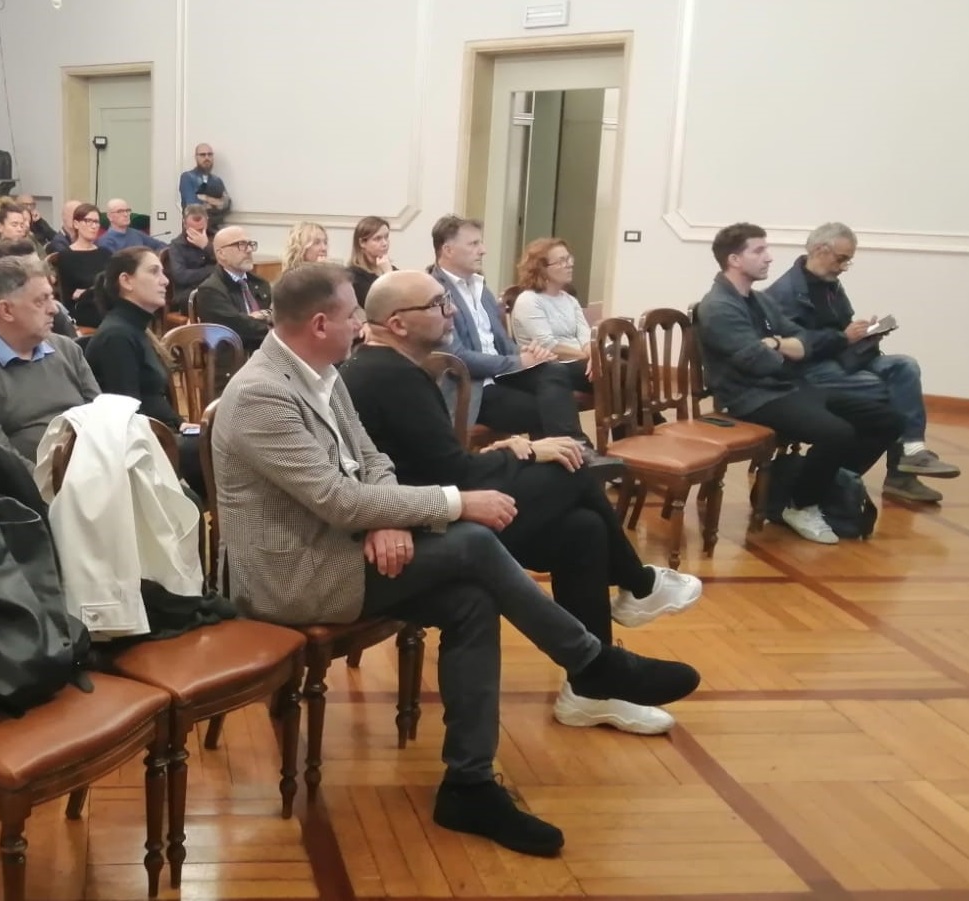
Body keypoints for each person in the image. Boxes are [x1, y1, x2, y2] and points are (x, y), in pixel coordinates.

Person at [211, 261, 700, 856]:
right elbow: (336, 498)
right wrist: (456, 502)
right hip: (294, 576)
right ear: (319, 324)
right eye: (353, 315)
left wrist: (391, 516)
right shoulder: (262, 393)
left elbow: (373, 460)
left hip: (342, 545)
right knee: (470, 539)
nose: (362, 325)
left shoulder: (324, 371)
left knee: (472, 599)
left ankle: (469, 784)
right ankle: (591, 663)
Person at [344, 271, 703, 734]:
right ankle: (636, 585)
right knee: (570, 466)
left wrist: (504, 449)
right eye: (437, 305)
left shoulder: (388, 368)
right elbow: (449, 476)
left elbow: (433, 463)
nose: (450, 312)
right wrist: (528, 451)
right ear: (397, 323)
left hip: (436, 502)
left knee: (582, 529)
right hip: (424, 526)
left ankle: (589, 692)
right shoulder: (391, 376)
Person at [695, 223, 903, 544]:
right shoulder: (718, 306)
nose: (769, 257)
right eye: (759, 251)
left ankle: (825, 485)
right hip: (750, 399)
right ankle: (802, 505)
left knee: (888, 419)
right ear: (734, 260)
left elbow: (804, 340)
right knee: (837, 433)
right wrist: (787, 350)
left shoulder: (759, 300)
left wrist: (778, 344)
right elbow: (758, 361)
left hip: (785, 388)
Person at [764, 222, 959, 503]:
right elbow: (798, 347)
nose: (844, 267)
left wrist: (866, 334)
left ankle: (913, 450)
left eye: (848, 261)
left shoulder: (830, 284)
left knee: (906, 366)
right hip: (811, 371)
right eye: (841, 259)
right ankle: (895, 476)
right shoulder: (784, 293)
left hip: (843, 359)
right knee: (892, 395)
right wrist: (843, 337)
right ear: (819, 249)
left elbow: (842, 328)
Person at [430, 215, 589, 445]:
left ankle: (577, 449)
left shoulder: (480, 288)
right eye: (473, 244)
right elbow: (457, 356)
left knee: (553, 371)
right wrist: (517, 361)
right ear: (448, 250)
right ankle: (576, 452)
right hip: (471, 386)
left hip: (500, 375)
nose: (483, 250)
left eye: (480, 243)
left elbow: (502, 343)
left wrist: (526, 353)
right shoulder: (435, 291)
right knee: (547, 410)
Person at [0, 255, 100, 465]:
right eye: (40, 301)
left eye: (52, 297)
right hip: (34, 483)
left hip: (94, 470)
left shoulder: (67, 349)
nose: (54, 309)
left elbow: (102, 422)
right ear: (6, 310)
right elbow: (2, 465)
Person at [82, 248, 205, 493]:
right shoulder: (117, 337)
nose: (165, 280)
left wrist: (181, 425)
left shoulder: (135, 328)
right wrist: (177, 431)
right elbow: (127, 416)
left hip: (163, 432)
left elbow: (153, 399)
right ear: (126, 281)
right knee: (217, 450)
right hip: (141, 447)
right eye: (154, 271)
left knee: (220, 441)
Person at [508, 237, 595, 393]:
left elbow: (585, 337)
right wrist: (588, 358)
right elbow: (549, 345)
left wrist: (594, 356)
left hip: (579, 360)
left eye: (569, 258)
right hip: (551, 366)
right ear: (542, 269)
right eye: (562, 261)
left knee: (625, 365)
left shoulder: (570, 300)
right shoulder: (528, 300)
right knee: (612, 371)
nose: (570, 264)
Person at [192, 226, 272, 349]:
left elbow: (279, 314)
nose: (249, 250)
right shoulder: (210, 290)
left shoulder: (260, 283)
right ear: (221, 254)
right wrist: (272, 324)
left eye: (250, 244)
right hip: (236, 355)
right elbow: (241, 328)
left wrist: (263, 314)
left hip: (266, 350)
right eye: (241, 245)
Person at [52, 202, 112, 327]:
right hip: (81, 309)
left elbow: (111, 283)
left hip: (105, 304)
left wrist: (88, 291)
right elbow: (70, 295)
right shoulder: (67, 256)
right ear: (76, 224)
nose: (93, 226)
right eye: (88, 221)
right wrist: (94, 290)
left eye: (96, 222)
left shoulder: (105, 253)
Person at [177, 143, 229, 232]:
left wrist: (206, 198)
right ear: (196, 157)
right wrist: (217, 203)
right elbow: (194, 208)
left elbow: (226, 205)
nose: (206, 158)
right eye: (202, 155)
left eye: (210, 154)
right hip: (194, 231)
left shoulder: (217, 180)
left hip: (215, 231)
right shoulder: (188, 177)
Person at [166, 204, 216, 298]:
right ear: (184, 224)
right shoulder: (177, 245)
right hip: (189, 292)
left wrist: (206, 246)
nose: (198, 234)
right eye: (193, 230)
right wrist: (212, 270)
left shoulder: (216, 237)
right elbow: (181, 276)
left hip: (214, 287)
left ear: (207, 222)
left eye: (201, 230)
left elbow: (229, 263)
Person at [346, 216, 396, 306]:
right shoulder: (353, 275)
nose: (385, 243)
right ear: (362, 243)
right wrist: (388, 274)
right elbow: (377, 304)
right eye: (377, 239)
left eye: (386, 237)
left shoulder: (392, 269)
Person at [95, 199, 165, 253]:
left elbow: (161, 246)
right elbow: (114, 264)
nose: (126, 214)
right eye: (120, 211)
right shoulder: (106, 241)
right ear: (110, 216)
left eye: (127, 210)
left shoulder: (136, 233)